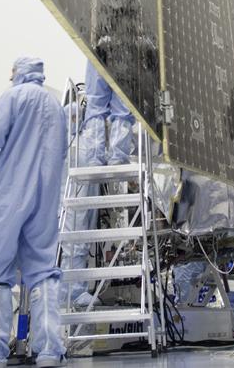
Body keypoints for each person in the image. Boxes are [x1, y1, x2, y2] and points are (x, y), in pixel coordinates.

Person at [0, 57, 67, 368]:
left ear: (19, 73)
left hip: (10, 193)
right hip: (46, 196)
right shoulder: (56, 105)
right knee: (42, 270)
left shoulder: (13, 97)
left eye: (11, 70)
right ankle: (49, 351)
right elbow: (62, 149)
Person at [61, 62, 135, 310]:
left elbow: (96, 105)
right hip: (83, 165)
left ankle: (74, 290)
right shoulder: (70, 112)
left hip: (88, 159)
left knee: (81, 228)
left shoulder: (96, 57)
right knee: (77, 228)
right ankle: (71, 291)